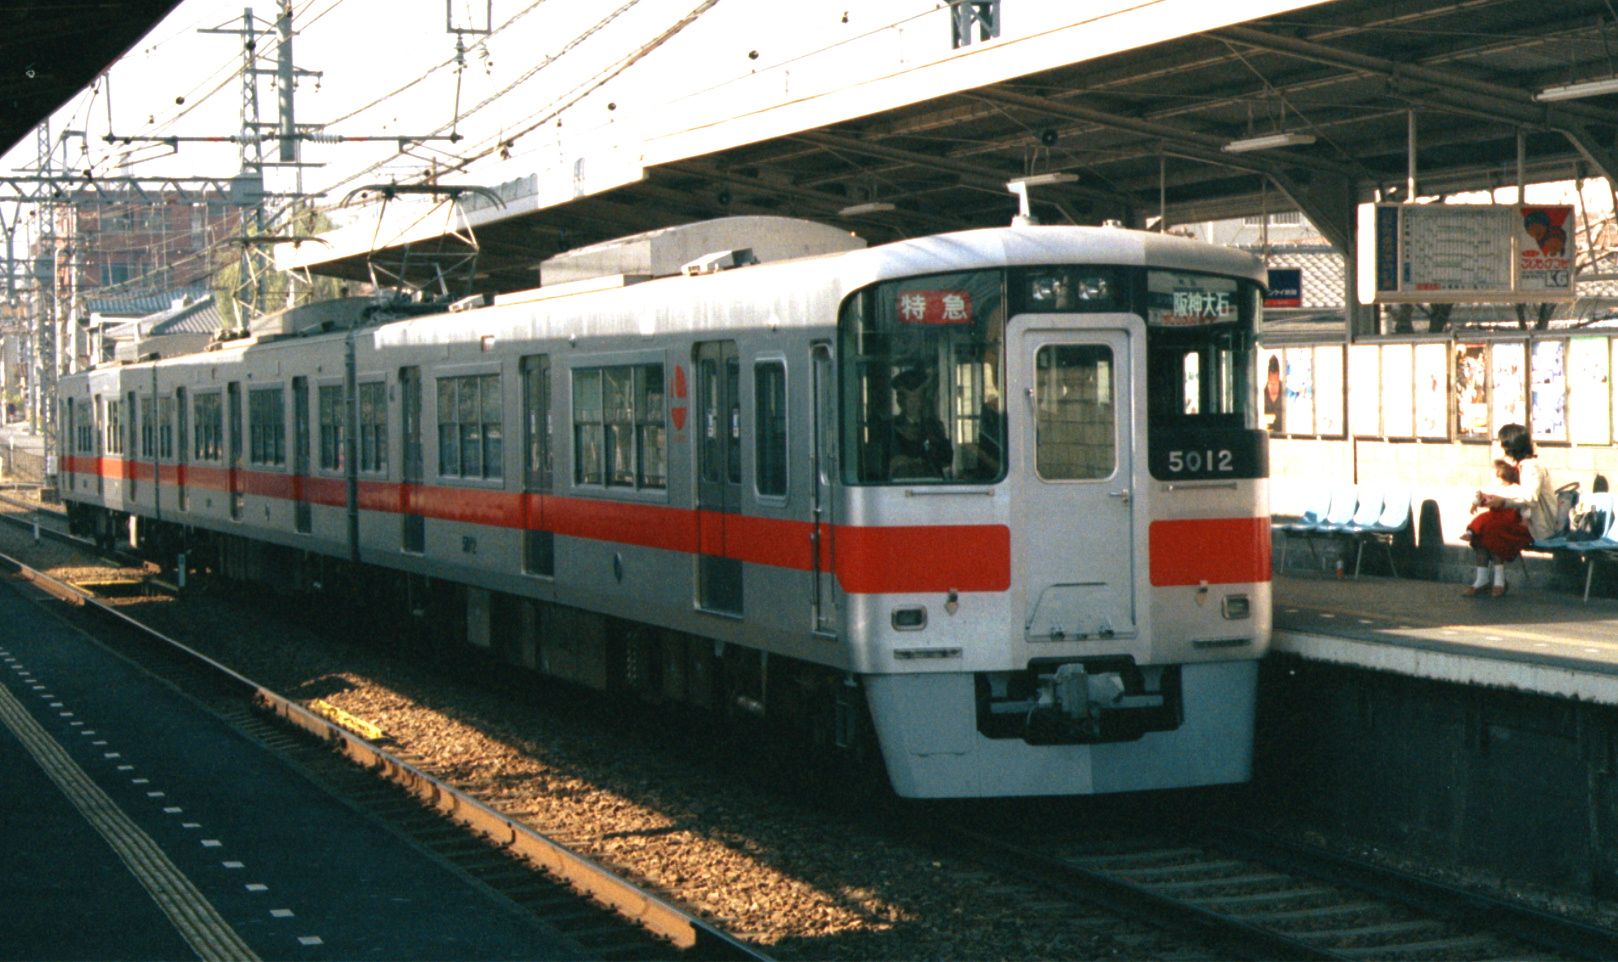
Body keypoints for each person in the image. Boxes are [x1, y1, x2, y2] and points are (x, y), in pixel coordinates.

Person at [1462, 423, 1555, 597]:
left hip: (1534, 524)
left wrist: (1503, 502)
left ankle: (1499, 581)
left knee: (1493, 529)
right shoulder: (1520, 466)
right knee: (1481, 529)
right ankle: (1482, 579)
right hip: (1519, 518)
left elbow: (1530, 498)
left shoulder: (1532, 467)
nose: (1503, 449)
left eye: (1504, 445)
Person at [886, 367, 952, 479]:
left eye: (917, 397)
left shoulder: (935, 427)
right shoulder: (889, 428)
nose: (913, 403)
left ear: (923, 399)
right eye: (908, 398)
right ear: (899, 401)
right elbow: (881, 466)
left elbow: (947, 459)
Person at [1262, 355, 1285, 435]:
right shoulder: (1262, 395)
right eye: (1270, 384)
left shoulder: (1286, 394)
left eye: (1275, 384)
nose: (1273, 387)